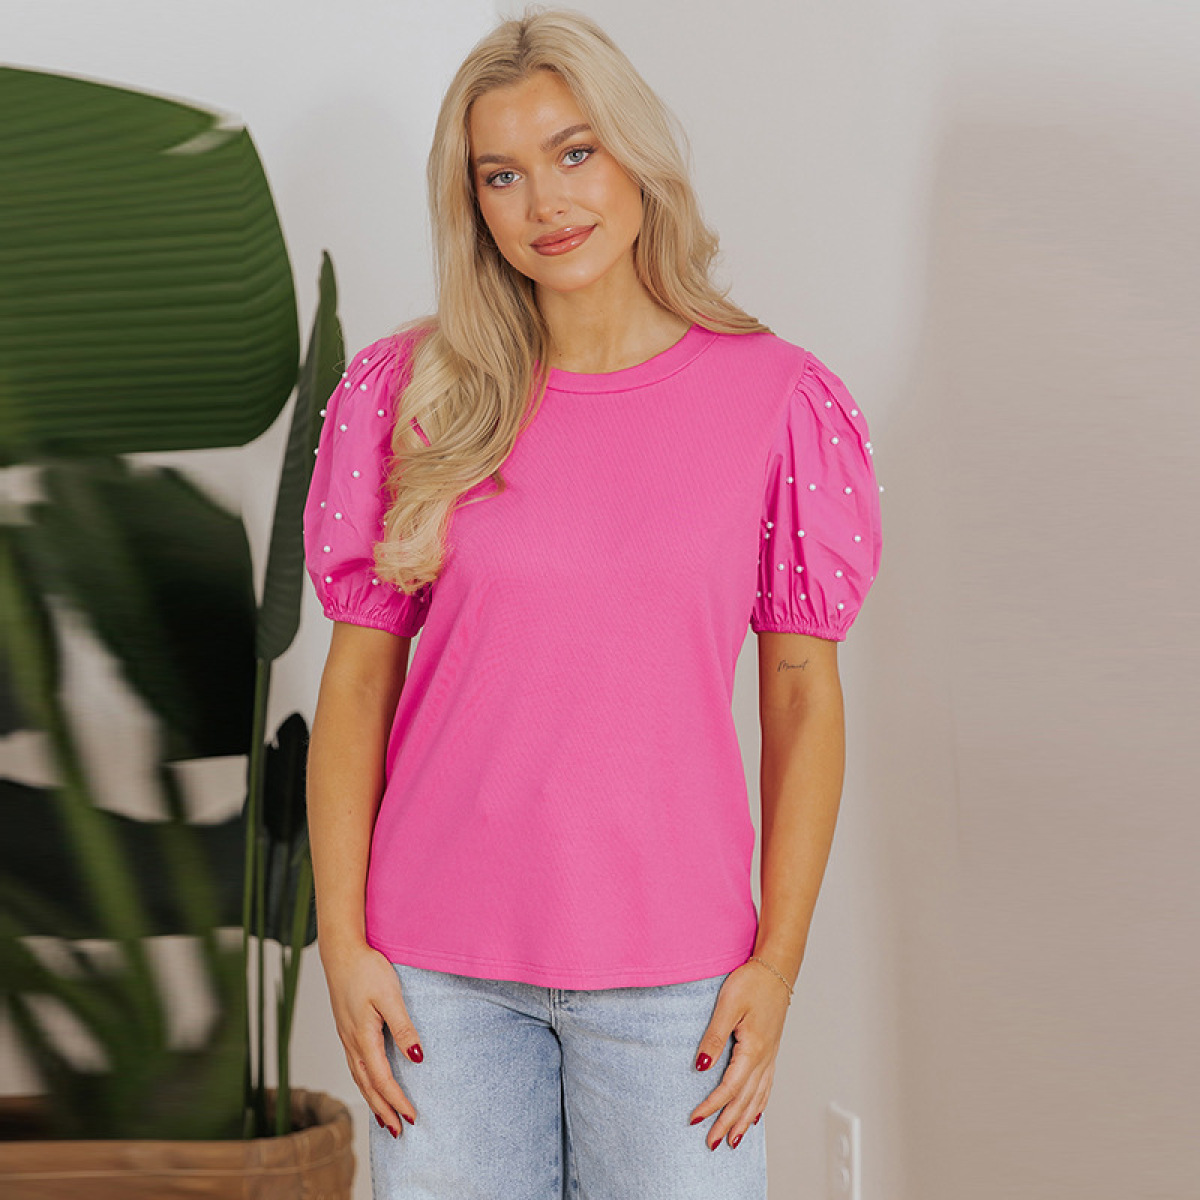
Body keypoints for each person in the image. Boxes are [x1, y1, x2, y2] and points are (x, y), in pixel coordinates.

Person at [302, 6, 883, 1198]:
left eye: (575, 152)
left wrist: (775, 965)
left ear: (636, 155)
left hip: (678, 983)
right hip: (438, 981)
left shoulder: (778, 400)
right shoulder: (412, 393)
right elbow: (356, 684)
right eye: (501, 174)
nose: (546, 202)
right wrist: (344, 944)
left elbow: (801, 698)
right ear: (473, 202)